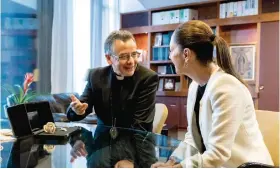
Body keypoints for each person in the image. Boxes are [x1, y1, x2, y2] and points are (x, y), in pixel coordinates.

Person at [151, 20, 273, 168]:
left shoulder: (227, 88)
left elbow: (218, 153)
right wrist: (172, 162)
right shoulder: (195, 86)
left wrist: (180, 168)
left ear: (186, 54)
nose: (169, 56)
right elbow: (192, 136)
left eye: (171, 50)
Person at [67, 30, 159, 166]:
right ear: (109, 58)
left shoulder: (147, 78)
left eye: (134, 54)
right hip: (101, 143)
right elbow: (82, 106)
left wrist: (128, 159)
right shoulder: (96, 76)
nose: (131, 61)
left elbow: (140, 126)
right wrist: (77, 110)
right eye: (124, 56)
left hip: (135, 145)